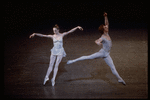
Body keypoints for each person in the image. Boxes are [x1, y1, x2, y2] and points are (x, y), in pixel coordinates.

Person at [67, 12, 126, 85]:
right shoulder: (103, 37)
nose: (107, 27)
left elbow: (107, 23)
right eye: (105, 27)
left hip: (107, 54)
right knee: (89, 57)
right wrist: (98, 43)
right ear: (104, 30)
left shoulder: (107, 33)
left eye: (106, 27)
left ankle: (120, 79)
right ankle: (73, 60)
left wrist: (105, 16)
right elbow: (97, 41)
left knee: (113, 68)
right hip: (102, 53)